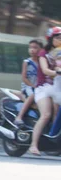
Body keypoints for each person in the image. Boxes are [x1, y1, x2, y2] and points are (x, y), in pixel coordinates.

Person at [29, 27, 61, 156]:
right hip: (43, 88)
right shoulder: (44, 53)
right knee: (46, 115)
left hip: (56, 87)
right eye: (58, 38)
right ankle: (33, 145)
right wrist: (57, 72)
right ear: (51, 39)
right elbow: (45, 70)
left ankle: (54, 141)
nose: (60, 40)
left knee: (57, 114)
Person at [14, 39, 43, 126]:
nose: (32, 50)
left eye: (35, 47)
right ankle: (19, 116)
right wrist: (33, 86)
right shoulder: (27, 62)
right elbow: (24, 78)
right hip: (28, 86)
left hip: (38, 86)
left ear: (40, 49)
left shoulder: (42, 62)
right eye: (30, 47)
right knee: (33, 95)